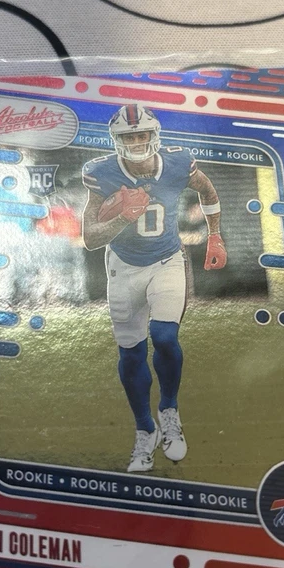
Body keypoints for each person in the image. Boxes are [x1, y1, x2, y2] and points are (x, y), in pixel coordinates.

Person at [81, 104, 227, 473]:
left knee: (164, 336)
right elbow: (90, 237)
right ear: (117, 140)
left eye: (142, 134)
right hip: (123, 267)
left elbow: (207, 190)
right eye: (128, 136)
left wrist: (215, 236)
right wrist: (122, 218)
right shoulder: (101, 172)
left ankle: (169, 410)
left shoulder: (178, 163)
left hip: (167, 260)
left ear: (154, 135)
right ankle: (145, 429)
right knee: (131, 354)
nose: (136, 142)